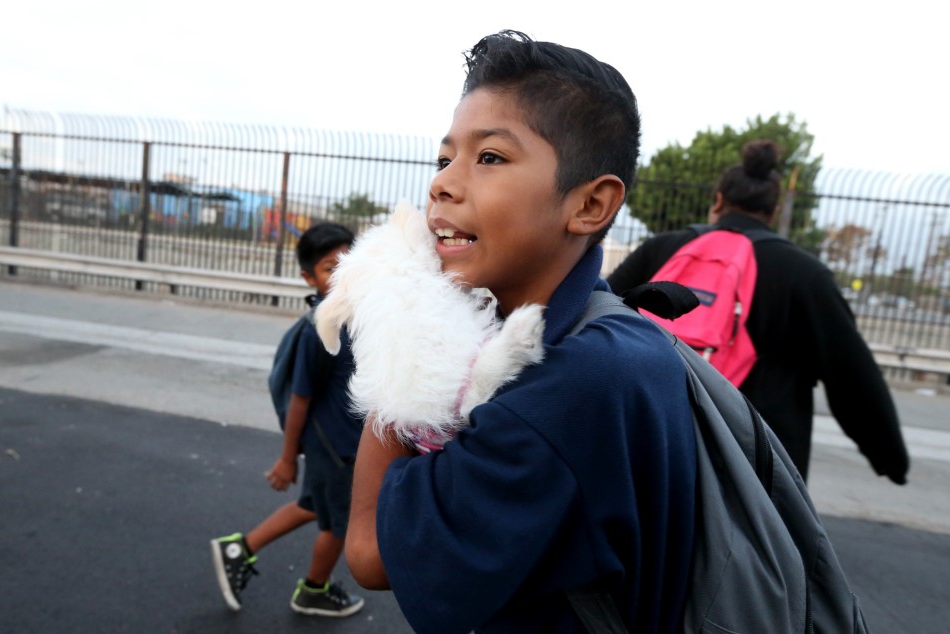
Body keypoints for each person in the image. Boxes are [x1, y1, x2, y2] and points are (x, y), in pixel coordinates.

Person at [345, 30, 697, 633]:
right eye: (444, 157)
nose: (442, 183)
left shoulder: (568, 388)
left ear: (590, 206)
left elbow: (370, 553)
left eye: (489, 157)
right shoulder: (612, 336)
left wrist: (398, 334)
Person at [606, 140, 910, 484]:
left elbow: (601, 315)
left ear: (718, 200)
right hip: (756, 466)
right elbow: (852, 376)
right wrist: (888, 457)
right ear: (774, 211)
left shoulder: (661, 250)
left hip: (652, 446)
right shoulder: (803, 274)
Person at [210, 222, 365, 617]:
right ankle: (314, 590)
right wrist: (286, 457)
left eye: (351, 262)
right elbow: (300, 399)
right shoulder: (319, 329)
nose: (344, 274)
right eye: (332, 268)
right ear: (309, 278)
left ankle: (239, 549)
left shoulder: (354, 316)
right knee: (337, 527)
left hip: (339, 442)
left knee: (314, 506)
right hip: (337, 449)